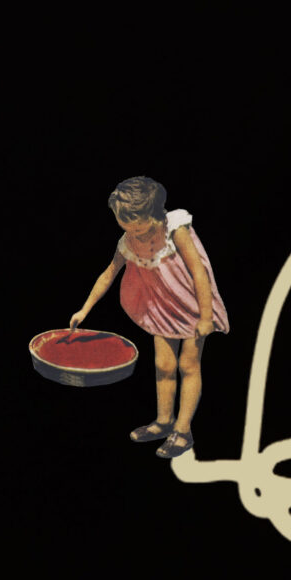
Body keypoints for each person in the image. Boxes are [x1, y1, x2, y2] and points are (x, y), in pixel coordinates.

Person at [71, 177, 229, 459]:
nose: (134, 234)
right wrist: (84, 309)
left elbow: (198, 272)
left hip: (192, 305)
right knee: (163, 365)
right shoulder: (128, 241)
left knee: (188, 365)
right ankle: (164, 421)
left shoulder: (175, 229)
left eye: (139, 228)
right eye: (126, 227)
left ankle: (183, 431)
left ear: (154, 216)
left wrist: (206, 315)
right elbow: (108, 274)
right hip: (163, 308)